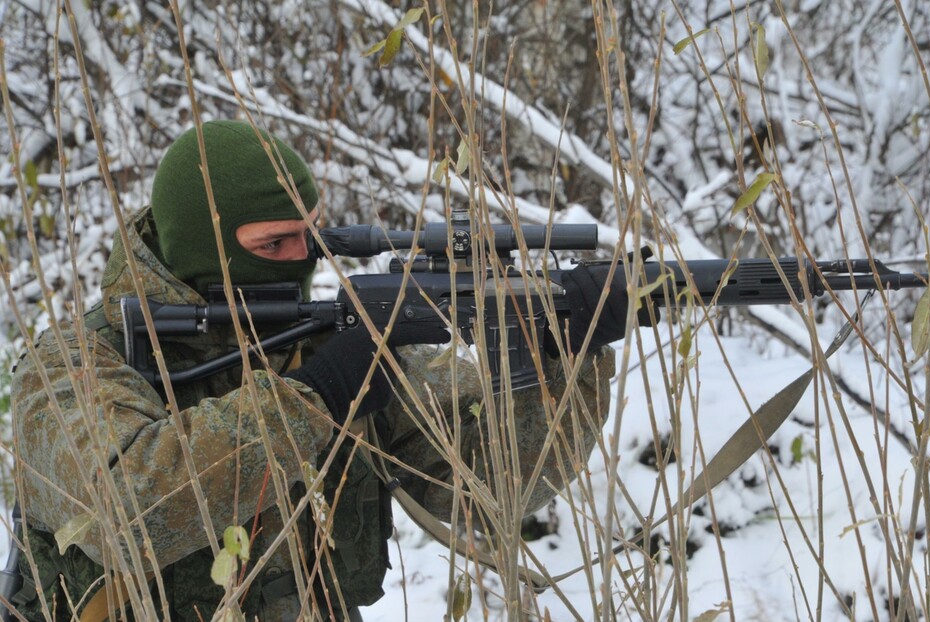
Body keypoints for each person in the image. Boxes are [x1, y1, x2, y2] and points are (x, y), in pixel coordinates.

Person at [7, 120, 632, 620]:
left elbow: (493, 487)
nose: (300, 261)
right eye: (271, 245)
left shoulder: (321, 338)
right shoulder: (74, 365)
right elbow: (124, 513)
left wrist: (567, 357)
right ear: (204, 247)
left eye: (309, 238)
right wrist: (319, 394)